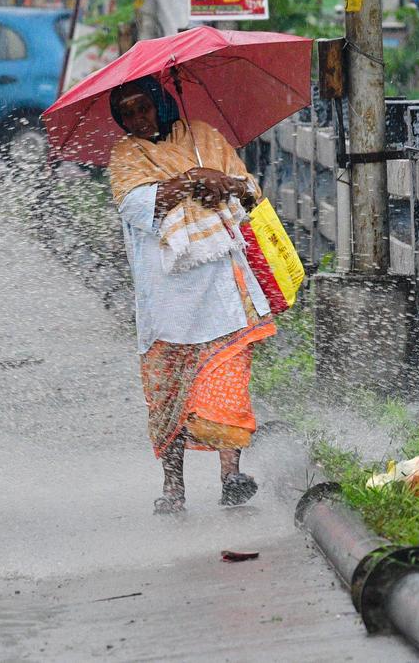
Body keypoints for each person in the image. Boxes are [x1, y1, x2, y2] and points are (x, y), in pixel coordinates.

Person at [106, 76, 277, 515]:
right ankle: (173, 488)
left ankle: (231, 476)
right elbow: (140, 206)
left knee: (228, 380)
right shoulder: (126, 154)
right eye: (126, 112)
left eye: (143, 107)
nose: (137, 118)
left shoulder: (204, 137)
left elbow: (248, 190)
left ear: (162, 103)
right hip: (166, 298)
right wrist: (191, 179)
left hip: (221, 286)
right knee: (170, 394)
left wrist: (222, 179)